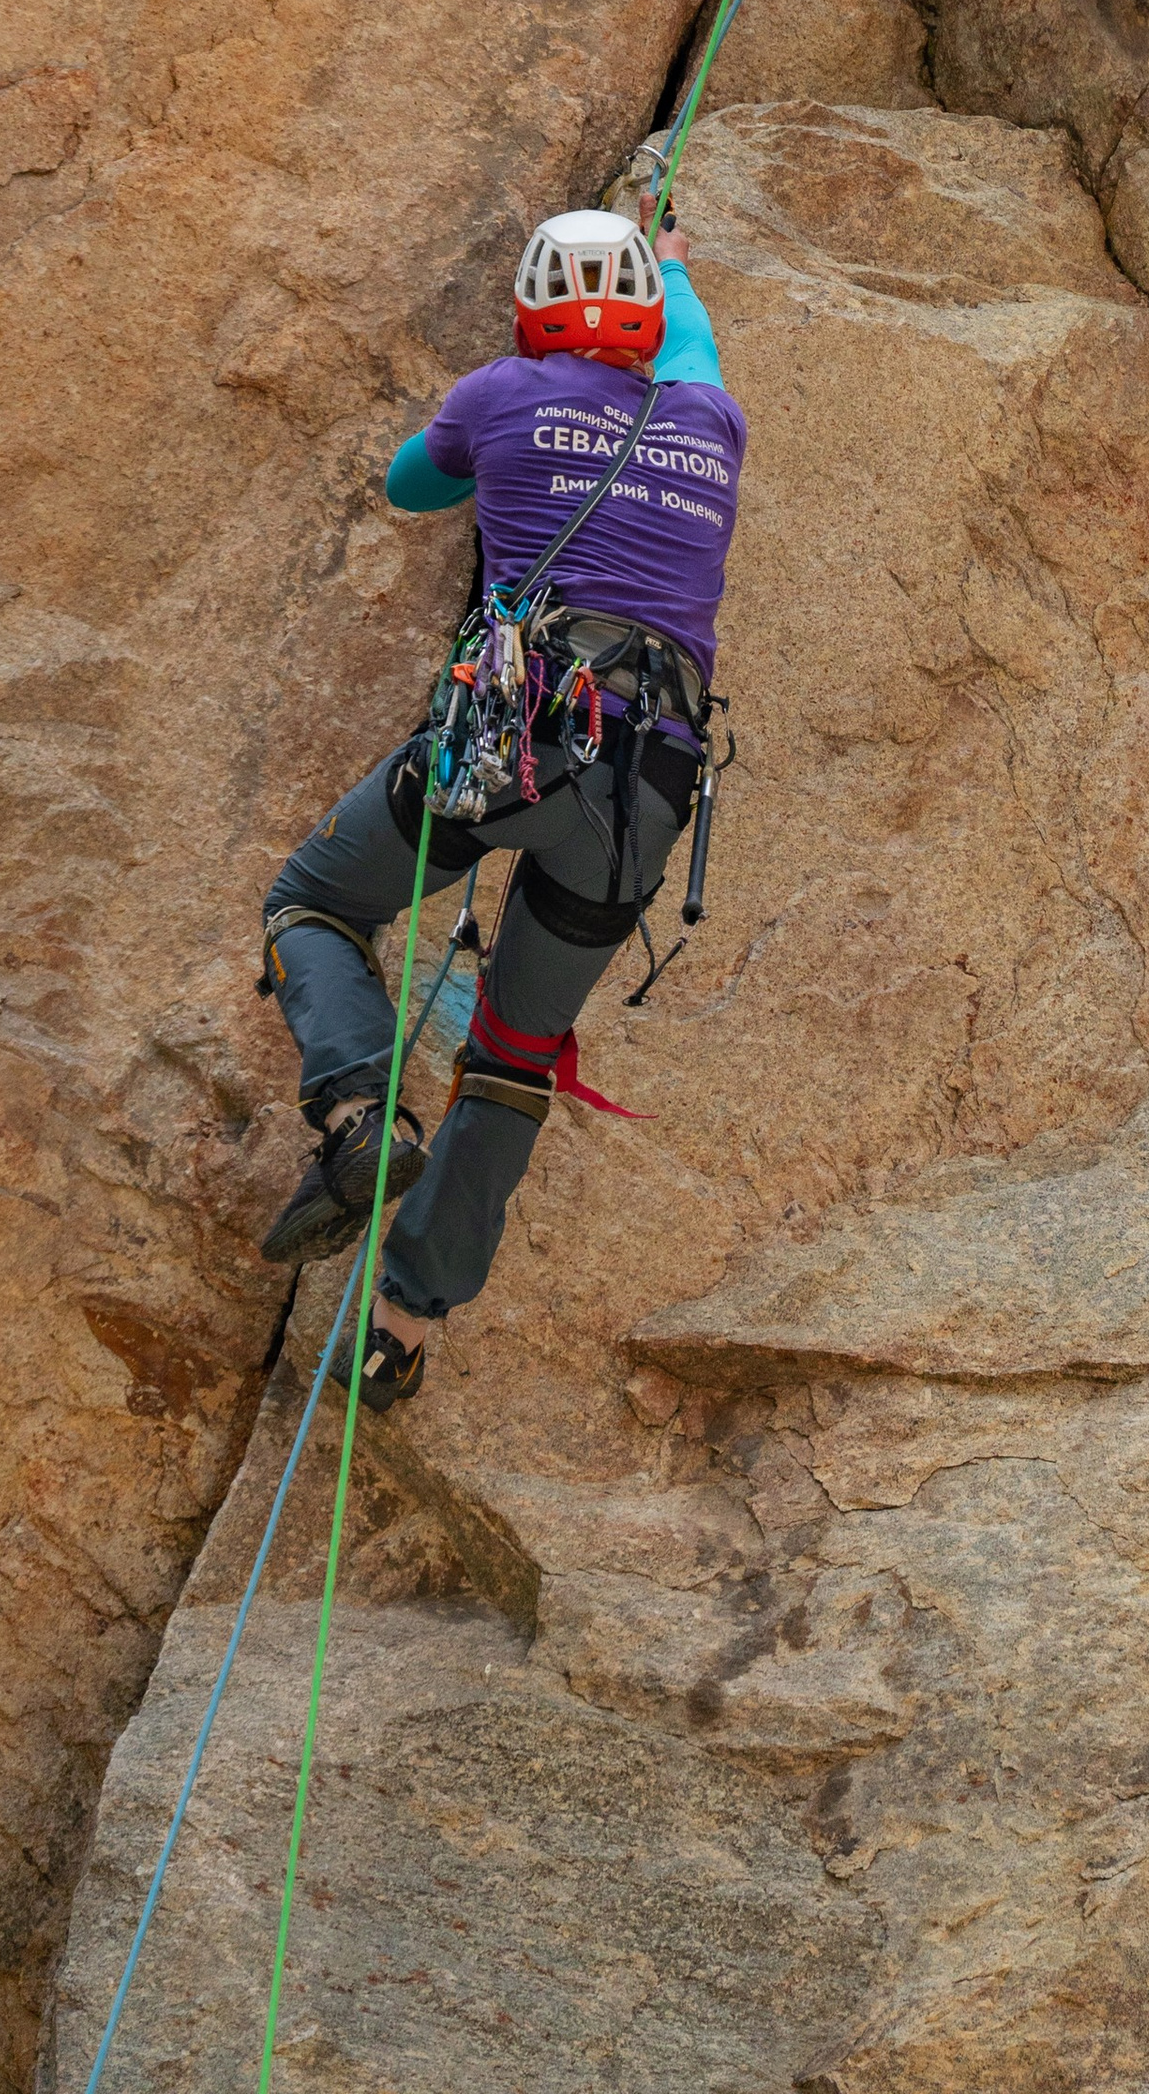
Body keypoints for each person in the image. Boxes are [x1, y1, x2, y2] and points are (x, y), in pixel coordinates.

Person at [253, 195, 744, 1415]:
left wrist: (516, 410)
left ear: (530, 312)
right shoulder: (710, 422)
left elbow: (407, 489)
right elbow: (692, 349)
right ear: (645, 311)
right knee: (516, 1057)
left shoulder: (496, 396)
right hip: (644, 796)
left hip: (503, 754)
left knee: (310, 901)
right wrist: (671, 266)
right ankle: (402, 1329)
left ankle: (362, 1115)